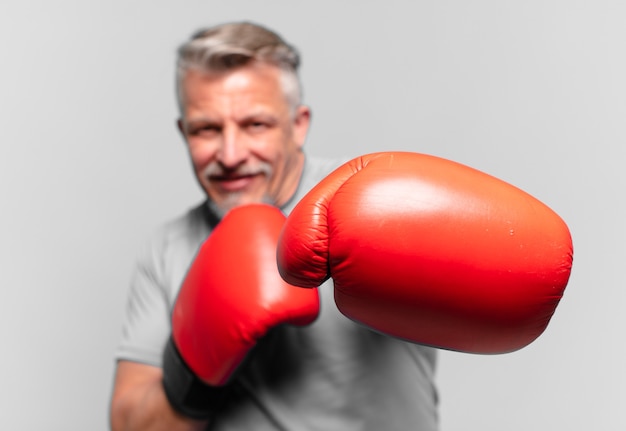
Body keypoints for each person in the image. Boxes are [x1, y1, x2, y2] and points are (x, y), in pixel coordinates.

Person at [109, 21, 439, 431]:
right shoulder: (167, 248)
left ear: (298, 124)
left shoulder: (371, 200)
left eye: (255, 125)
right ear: (183, 132)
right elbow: (129, 426)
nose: (230, 155)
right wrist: (196, 365)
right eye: (207, 129)